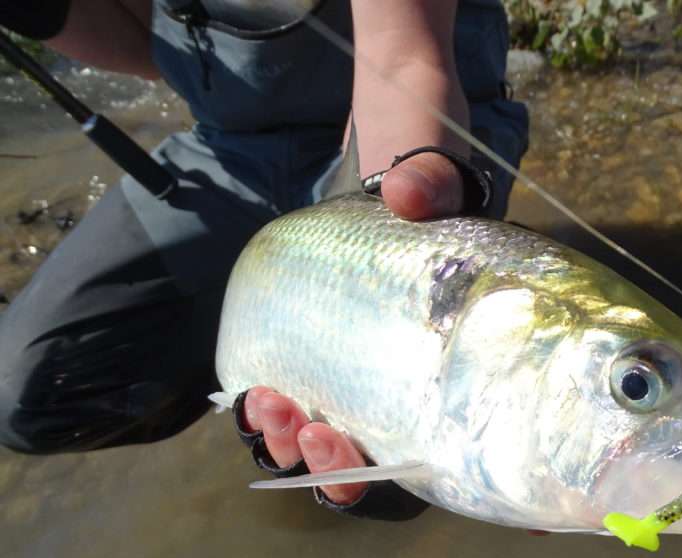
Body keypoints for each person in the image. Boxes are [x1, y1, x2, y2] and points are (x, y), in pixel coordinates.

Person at [0, 0, 529, 508]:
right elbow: (147, 45)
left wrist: (388, 240)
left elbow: (403, 57)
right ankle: (259, 385)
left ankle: (353, 423)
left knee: (419, 406)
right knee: (22, 394)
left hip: (420, 118)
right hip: (234, 150)